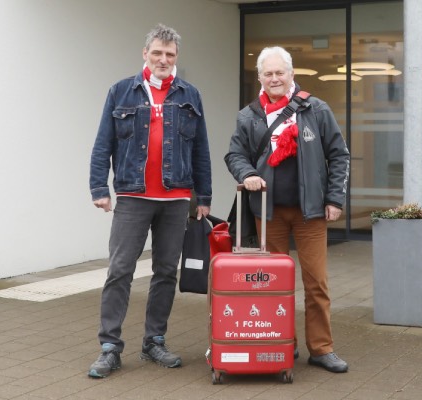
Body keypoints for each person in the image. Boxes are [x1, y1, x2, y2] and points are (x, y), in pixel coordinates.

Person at [88, 23, 211, 378]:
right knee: (120, 270)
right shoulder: (121, 91)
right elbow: (103, 144)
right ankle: (109, 347)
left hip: (176, 199)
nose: (163, 59)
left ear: (176, 58)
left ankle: (154, 340)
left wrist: (203, 196)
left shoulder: (190, 94)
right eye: (157, 52)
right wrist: (99, 188)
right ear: (145, 53)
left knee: (166, 272)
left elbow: (201, 148)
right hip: (133, 195)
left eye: (169, 54)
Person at [224, 46, 351, 373]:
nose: (275, 78)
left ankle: (321, 349)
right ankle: (281, 344)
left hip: (311, 213)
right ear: (260, 78)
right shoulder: (249, 115)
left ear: (291, 74)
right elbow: (235, 155)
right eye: (268, 73)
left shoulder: (316, 109)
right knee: (273, 285)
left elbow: (339, 155)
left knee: (316, 283)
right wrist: (248, 174)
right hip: (267, 214)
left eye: (280, 72)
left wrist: (334, 199)